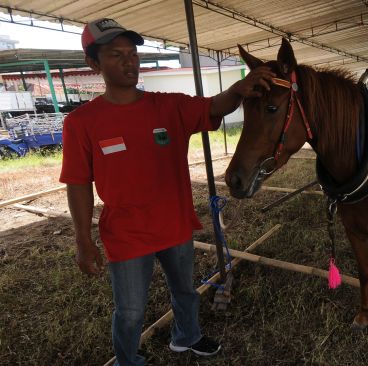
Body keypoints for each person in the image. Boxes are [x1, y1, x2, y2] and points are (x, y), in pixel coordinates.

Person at [59, 18, 275, 366]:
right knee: (129, 311)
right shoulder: (82, 122)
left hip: (174, 226)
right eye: (117, 55)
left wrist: (239, 89)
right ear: (94, 63)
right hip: (127, 235)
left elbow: (213, 107)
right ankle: (128, 360)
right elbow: (78, 183)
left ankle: (186, 337)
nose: (130, 62)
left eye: (132, 53)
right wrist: (82, 240)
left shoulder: (168, 106)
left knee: (186, 291)